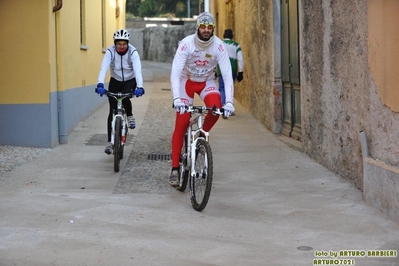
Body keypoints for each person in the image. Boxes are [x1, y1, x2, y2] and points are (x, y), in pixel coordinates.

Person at [169, 12, 235, 187]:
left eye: (210, 27)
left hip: (207, 82)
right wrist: (177, 98)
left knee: (216, 108)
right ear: (197, 27)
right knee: (182, 122)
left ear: (213, 29)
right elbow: (175, 73)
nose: (206, 30)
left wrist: (230, 101)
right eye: (203, 27)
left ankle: (201, 136)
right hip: (186, 81)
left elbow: (227, 75)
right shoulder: (186, 44)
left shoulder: (219, 46)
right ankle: (175, 168)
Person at [96, 29, 145, 155]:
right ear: (115, 43)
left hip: (130, 80)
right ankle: (109, 142)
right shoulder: (110, 52)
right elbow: (104, 68)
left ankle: (129, 115)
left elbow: (138, 70)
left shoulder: (133, 52)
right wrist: (100, 84)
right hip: (115, 80)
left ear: (128, 44)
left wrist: (140, 86)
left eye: (124, 44)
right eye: (119, 44)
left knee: (125, 97)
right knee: (112, 110)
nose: (122, 46)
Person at [217, 28, 244, 118]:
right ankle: (229, 107)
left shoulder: (219, 44)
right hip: (232, 69)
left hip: (221, 69)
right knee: (230, 87)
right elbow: (240, 58)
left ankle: (224, 105)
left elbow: (215, 57)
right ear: (232, 36)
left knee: (222, 88)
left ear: (224, 36)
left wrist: (214, 70)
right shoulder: (236, 45)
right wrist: (241, 71)